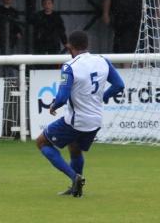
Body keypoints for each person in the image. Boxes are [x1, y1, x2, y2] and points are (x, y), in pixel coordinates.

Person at [36, 31, 125, 197]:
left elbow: (62, 97)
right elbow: (119, 85)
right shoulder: (102, 61)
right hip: (96, 120)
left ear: (69, 47)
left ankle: (74, 177)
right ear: (87, 45)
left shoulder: (70, 66)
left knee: (42, 142)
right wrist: (103, 97)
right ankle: (75, 187)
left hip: (77, 120)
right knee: (75, 147)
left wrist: (54, 105)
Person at [30, 0, 67, 69]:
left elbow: (61, 31)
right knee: (40, 65)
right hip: (41, 45)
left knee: (54, 65)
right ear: (42, 5)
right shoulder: (38, 16)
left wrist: (65, 42)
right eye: (45, 3)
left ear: (52, 5)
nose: (47, 5)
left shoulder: (57, 17)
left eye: (49, 3)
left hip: (54, 45)